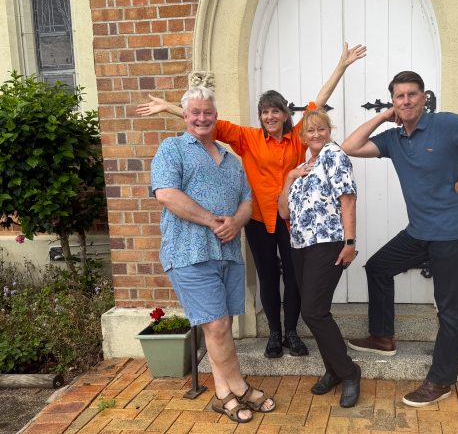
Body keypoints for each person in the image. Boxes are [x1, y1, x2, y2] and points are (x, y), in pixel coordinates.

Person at [138, 44, 366, 359]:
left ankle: (291, 333)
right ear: (261, 116)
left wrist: (341, 65)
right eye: (265, 112)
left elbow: (320, 101)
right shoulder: (247, 137)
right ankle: (274, 333)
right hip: (258, 219)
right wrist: (168, 107)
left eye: (276, 111)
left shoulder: (298, 137)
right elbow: (205, 121)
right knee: (268, 278)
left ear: (286, 115)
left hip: (290, 221)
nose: (270, 116)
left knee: (296, 281)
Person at [341, 71, 458, 407]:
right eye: (399, 97)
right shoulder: (394, 139)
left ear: (424, 96)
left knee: (450, 312)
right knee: (379, 267)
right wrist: (385, 116)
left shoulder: (444, 124)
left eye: (412, 95)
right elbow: (349, 146)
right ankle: (383, 337)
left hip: (455, 234)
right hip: (420, 232)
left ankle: (441, 381)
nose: (406, 101)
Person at [150, 86, 275, 423]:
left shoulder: (232, 161)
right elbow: (166, 194)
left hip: (229, 252)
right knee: (218, 325)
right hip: (189, 252)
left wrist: (236, 222)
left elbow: (248, 200)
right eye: (195, 112)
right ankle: (240, 386)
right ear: (185, 115)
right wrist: (211, 221)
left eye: (208, 112)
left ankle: (223, 394)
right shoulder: (172, 149)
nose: (202, 118)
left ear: (215, 117)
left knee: (221, 327)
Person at [277, 107, 361, 408]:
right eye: (310, 130)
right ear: (302, 136)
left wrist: (350, 242)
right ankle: (334, 370)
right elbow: (284, 212)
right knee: (317, 310)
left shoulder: (334, 156)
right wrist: (288, 178)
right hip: (300, 246)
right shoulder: (302, 166)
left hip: (328, 242)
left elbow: (347, 199)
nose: (315, 134)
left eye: (321, 129)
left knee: (313, 311)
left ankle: (350, 372)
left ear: (329, 130)